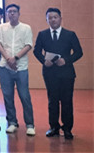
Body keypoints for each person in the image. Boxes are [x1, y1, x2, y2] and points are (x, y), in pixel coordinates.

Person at [33, 8, 83, 140]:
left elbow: (79, 52)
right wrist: (44, 61)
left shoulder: (70, 34)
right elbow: (36, 51)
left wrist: (66, 60)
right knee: (52, 101)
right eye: (50, 18)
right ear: (46, 20)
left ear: (60, 18)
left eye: (55, 17)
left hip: (67, 73)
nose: (53, 20)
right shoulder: (42, 34)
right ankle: (54, 127)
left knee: (67, 101)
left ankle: (67, 128)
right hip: (50, 73)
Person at [0, 3, 35, 136]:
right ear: (6, 14)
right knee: (8, 96)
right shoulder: (2, 27)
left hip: (21, 67)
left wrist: (15, 58)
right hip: (5, 66)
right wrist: (8, 59)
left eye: (14, 11)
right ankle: (12, 122)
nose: (12, 13)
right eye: (9, 12)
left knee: (24, 96)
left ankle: (30, 124)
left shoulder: (26, 28)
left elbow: (28, 45)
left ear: (19, 13)